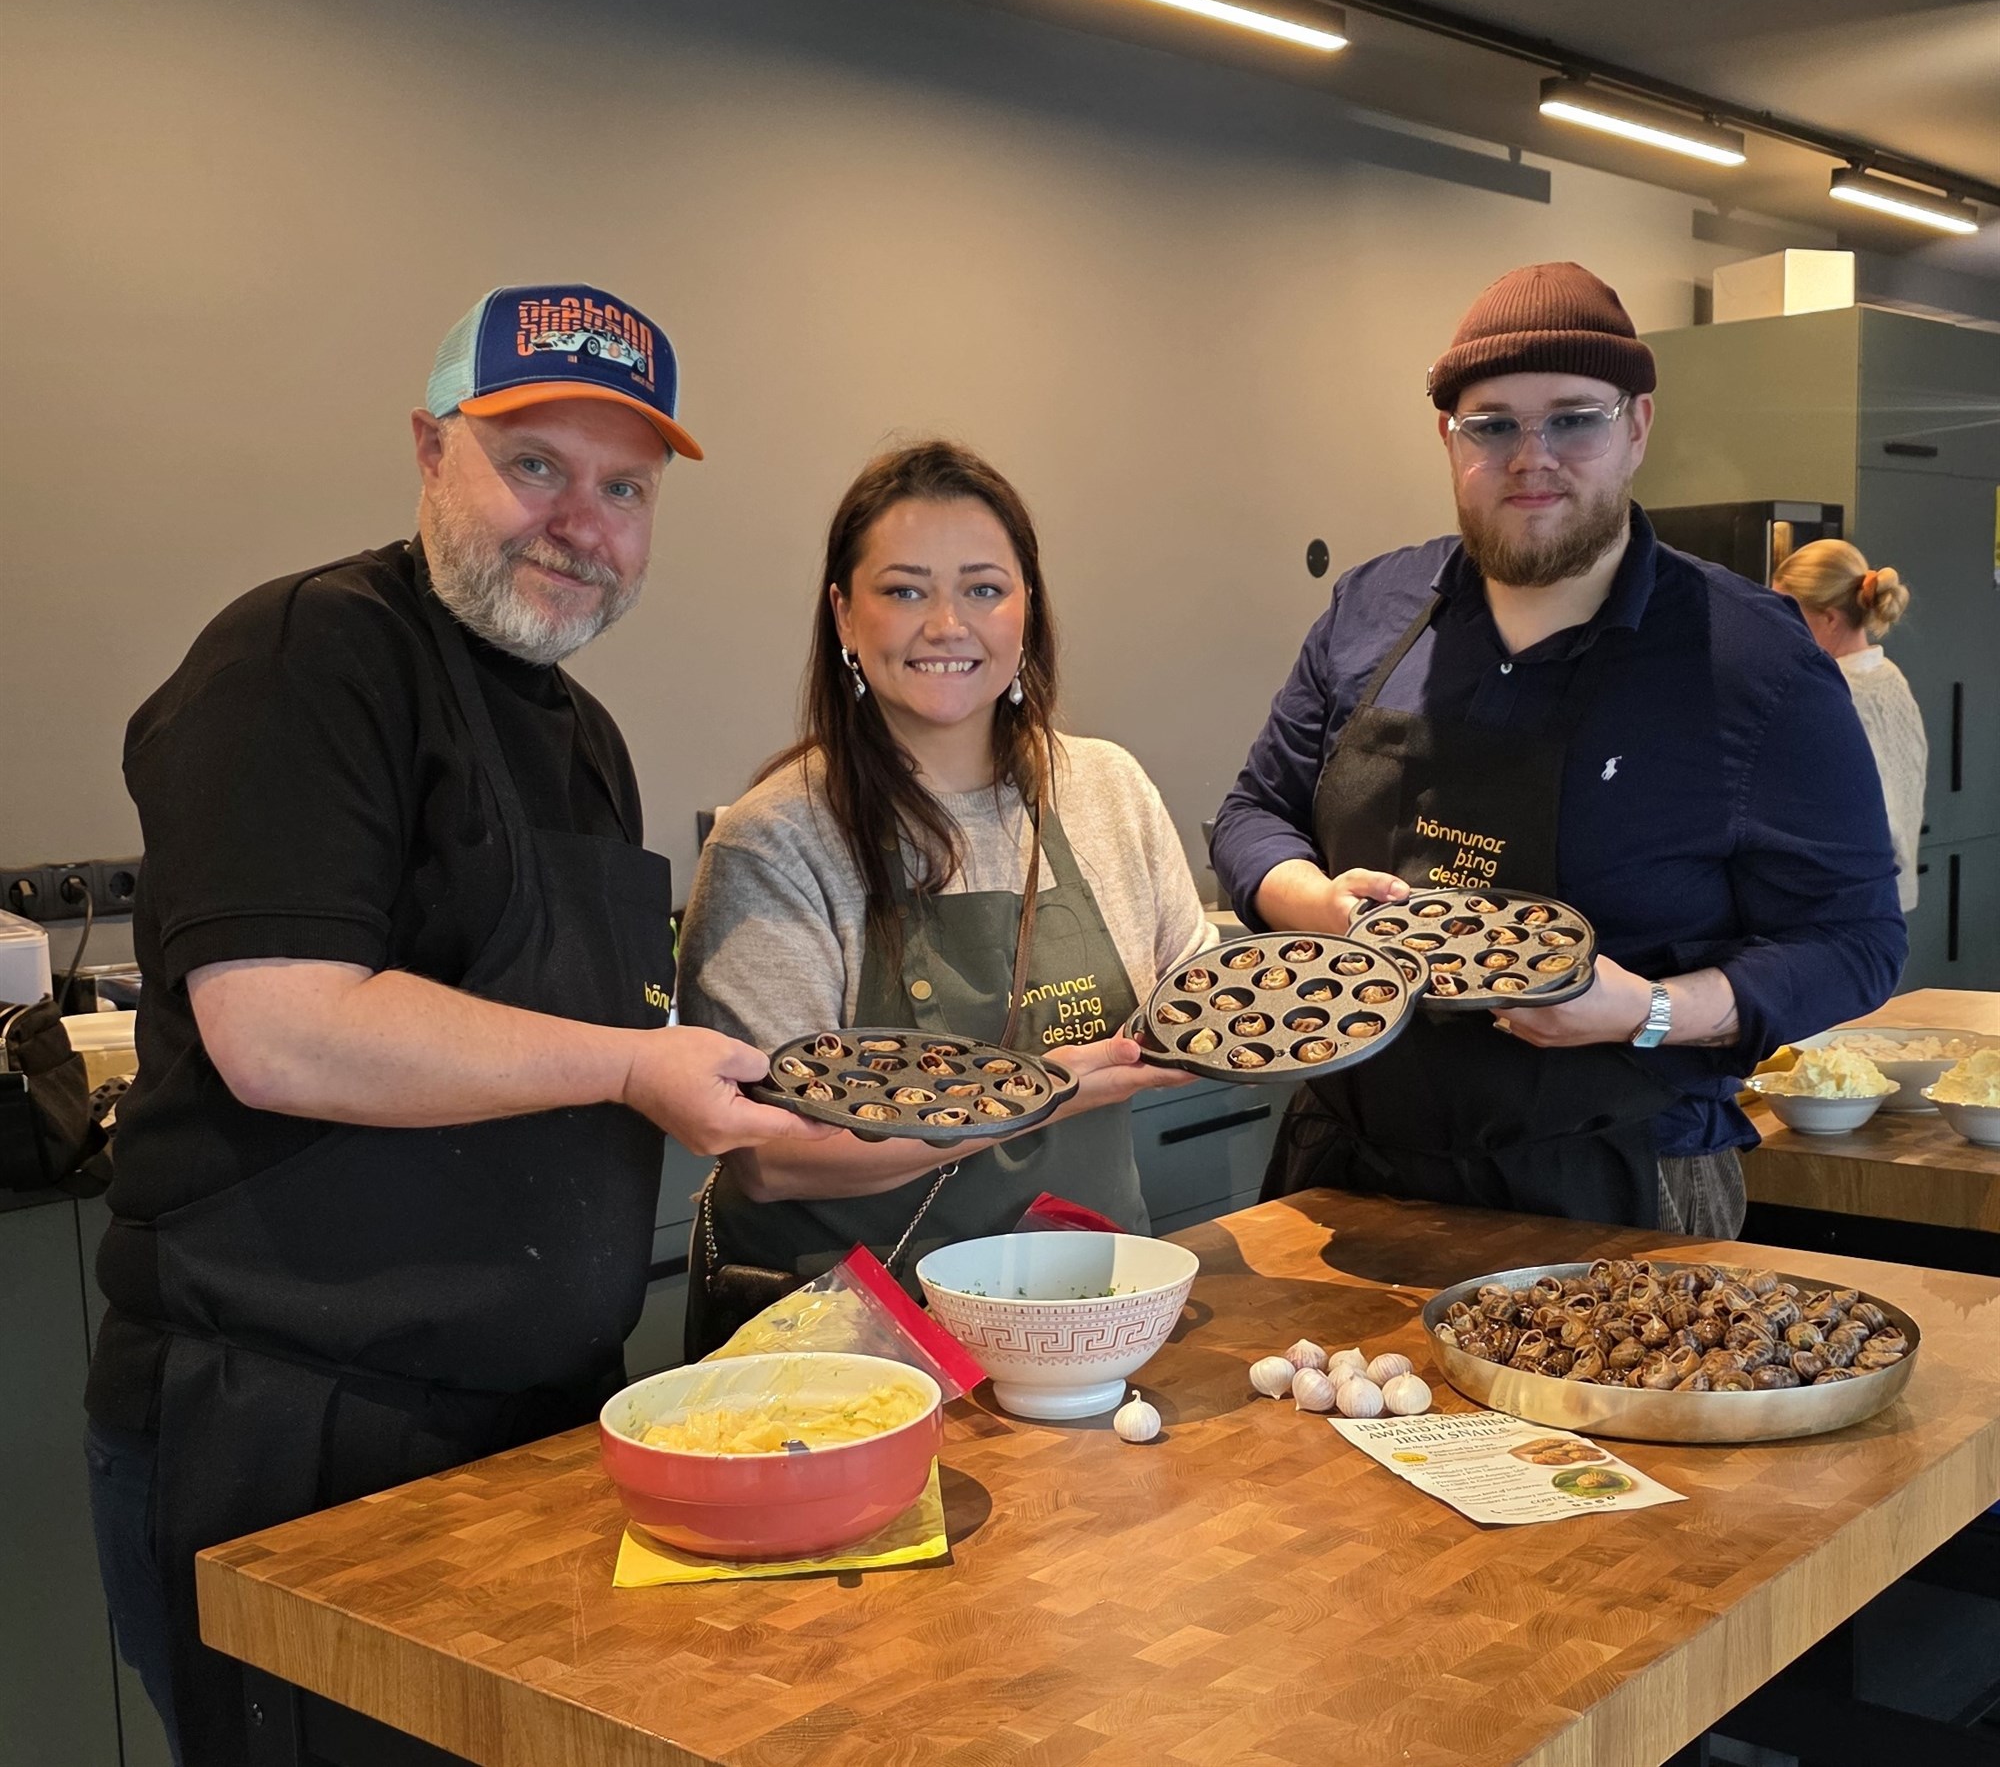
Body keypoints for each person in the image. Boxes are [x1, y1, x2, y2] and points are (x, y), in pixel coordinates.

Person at [84, 284, 825, 1767]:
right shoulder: (307, 655)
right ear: (431, 451)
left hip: (531, 1423)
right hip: (298, 1437)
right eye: (533, 464)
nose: (580, 522)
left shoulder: (583, 736)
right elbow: (281, 1028)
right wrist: (634, 1066)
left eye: (624, 489)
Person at [1210, 262, 1906, 1237]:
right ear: (1447, 438)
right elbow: (1253, 813)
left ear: (1636, 427)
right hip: (1344, 1171)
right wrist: (1315, 903)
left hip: (1617, 1183)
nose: (1529, 458)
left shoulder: (1754, 661)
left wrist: (1649, 1008)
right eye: (1491, 425)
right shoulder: (1371, 611)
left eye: (1573, 420)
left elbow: (1854, 940)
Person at [676, 440, 1206, 1351]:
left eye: (984, 589)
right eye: (905, 590)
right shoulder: (777, 840)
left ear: (1028, 608)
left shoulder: (1109, 792)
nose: (948, 625)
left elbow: (1193, 1008)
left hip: (1091, 1311)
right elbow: (770, 1157)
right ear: (844, 615)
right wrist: (1048, 1090)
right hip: (854, 1343)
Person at [1774, 540, 1927, 913]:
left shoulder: (1829, 693)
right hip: (1888, 897)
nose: (1776, 625)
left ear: (1830, 619)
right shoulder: (1889, 676)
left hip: (1845, 905)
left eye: (1786, 612)